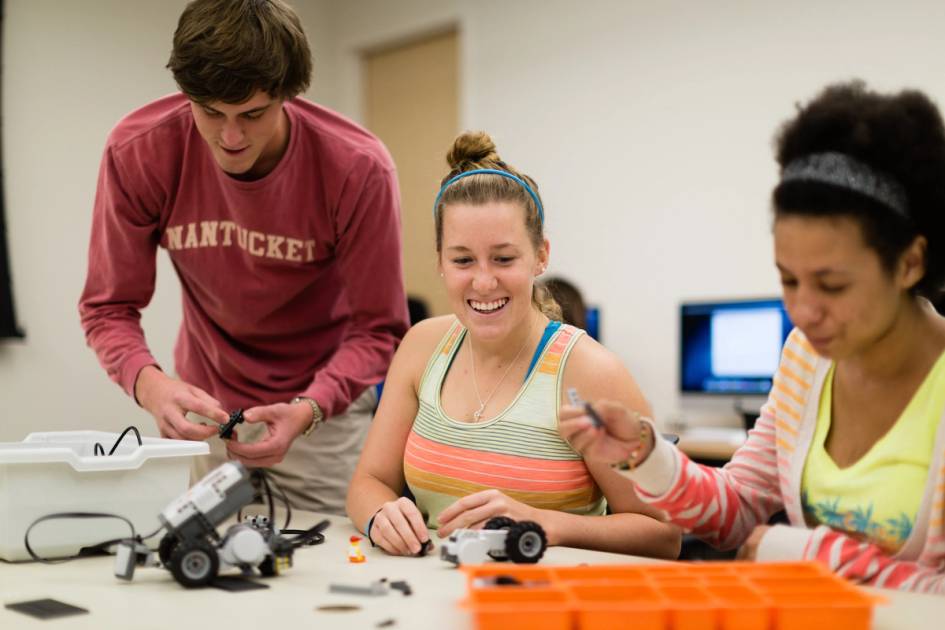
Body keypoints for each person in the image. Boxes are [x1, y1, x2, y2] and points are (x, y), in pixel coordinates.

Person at [561, 81, 945, 593]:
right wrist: (643, 453)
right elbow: (736, 509)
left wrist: (805, 552)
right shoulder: (807, 359)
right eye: (788, 280)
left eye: (832, 285)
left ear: (910, 263)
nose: (803, 312)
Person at [78, 0, 409, 514]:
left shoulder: (357, 168)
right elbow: (108, 308)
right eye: (210, 112)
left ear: (288, 96)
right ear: (186, 94)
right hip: (204, 410)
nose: (230, 138)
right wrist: (153, 387)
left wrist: (310, 409)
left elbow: (379, 330)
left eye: (253, 115)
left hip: (321, 417)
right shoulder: (139, 151)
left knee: (328, 572)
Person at [345, 131, 680, 559]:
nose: (483, 282)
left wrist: (546, 523)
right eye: (463, 260)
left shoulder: (590, 374)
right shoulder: (422, 347)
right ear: (440, 262)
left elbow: (663, 535)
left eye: (504, 258)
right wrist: (381, 515)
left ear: (541, 255)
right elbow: (367, 482)